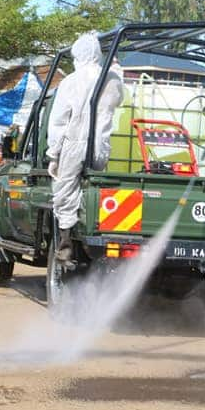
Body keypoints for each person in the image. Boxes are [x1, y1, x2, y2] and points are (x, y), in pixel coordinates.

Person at [45, 32, 125, 262]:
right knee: (94, 190)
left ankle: (67, 242)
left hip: (74, 143)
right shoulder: (111, 79)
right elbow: (118, 100)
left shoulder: (70, 81)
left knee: (65, 191)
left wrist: (54, 154)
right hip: (100, 144)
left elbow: (59, 120)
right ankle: (95, 233)